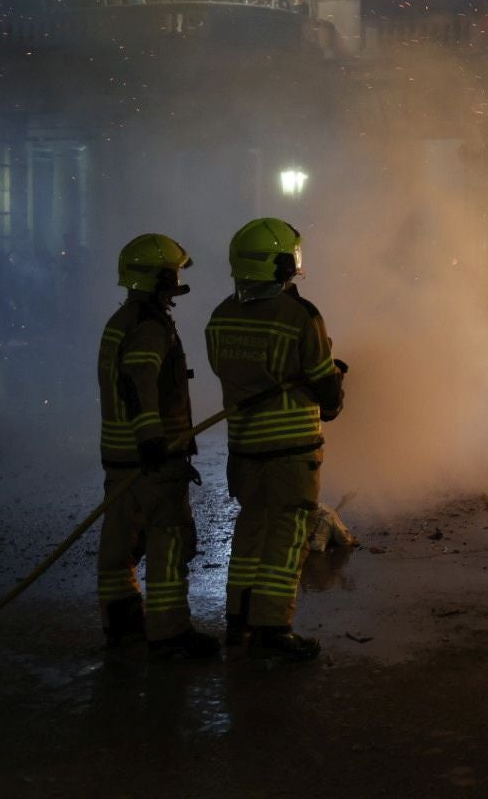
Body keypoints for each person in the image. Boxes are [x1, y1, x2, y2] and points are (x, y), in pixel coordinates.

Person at [206, 218, 345, 661]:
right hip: (291, 449)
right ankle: (273, 628)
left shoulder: (221, 315)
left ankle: (239, 619)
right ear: (281, 263)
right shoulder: (299, 315)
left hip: (244, 447)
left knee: (251, 527)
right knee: (288, 537)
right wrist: (334, 388)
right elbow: (324, 383)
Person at [96, 234, 219, 659]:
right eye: (174, 271)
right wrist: (152, 439)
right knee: (168, 541)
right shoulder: (150, 326)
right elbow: (139, 381)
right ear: (161, 276)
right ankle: (169, 634)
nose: (178, 278)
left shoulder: (123, 320)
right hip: (151, 460)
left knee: (118, 543)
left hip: (119, 458)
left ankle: (123, 623)